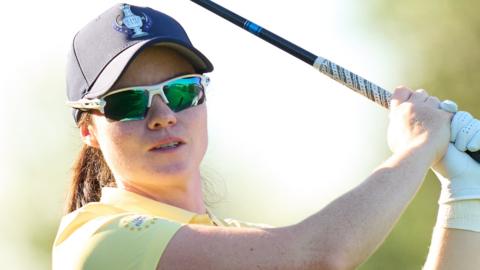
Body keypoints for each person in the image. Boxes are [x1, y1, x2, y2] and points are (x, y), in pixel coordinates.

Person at [52, 3, 480, 270]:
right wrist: (418, 146)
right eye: (128, 103)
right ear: (89, 128)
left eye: (181, 92)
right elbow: (321, 255)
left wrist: (464, 195)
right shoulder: (97, 241)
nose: (162, 117)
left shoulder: (244, 240)